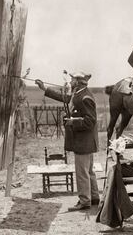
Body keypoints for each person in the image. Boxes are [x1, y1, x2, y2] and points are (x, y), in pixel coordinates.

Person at [35, 72, 99, 211]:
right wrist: (44, 88)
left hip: (84, 142)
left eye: (72, 79)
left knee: (82, 172)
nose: (70, 81)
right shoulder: (79, 94)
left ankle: (84, 201)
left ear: (78, 81)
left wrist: (72, 122)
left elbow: (90, 121)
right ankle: (94, 198)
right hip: (86, 141)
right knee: (89, 171)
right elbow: (65, 98)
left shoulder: (85, 97)